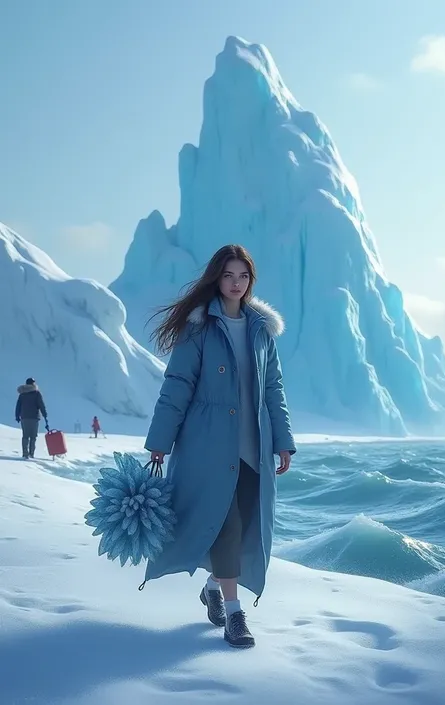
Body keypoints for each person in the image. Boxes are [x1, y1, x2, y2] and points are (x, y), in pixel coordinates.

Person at [144, 244, 296, 649]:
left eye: (243, 276)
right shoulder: (198, 327)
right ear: (217, 277)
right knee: (225, 527)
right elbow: (176, 387)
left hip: (254, 449)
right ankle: (234, 615)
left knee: (244, 527)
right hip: (208, 447)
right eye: (228, 275)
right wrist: (159, 442)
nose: (235, 283)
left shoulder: (262, 330)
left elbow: (274, 390)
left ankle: (213, 586)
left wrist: (283, 441)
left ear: (250, 281)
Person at [15, 377, 48, 459]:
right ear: (33, 384)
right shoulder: (37, 393)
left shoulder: (22, 394)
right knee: (33, 437)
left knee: (25, 436)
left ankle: (25, 454)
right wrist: (45, 415)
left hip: (24, 417)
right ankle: (31, 454)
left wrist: (17, 416)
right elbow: (41, 405)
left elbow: (18, 406)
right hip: (34, 418)